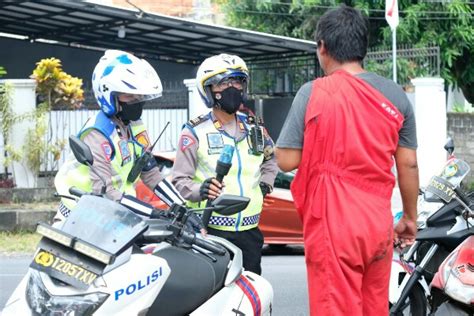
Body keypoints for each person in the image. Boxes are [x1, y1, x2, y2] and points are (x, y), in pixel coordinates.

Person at [275, 5, 419, 316]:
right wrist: (409, 218)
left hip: (334, 223)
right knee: (373, 309)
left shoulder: (313, 93)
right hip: (378, 224)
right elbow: (408, 164)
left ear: (323, 48)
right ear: (362, 47)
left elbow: (286, 160)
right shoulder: (396, 96)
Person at [171, 53, 278, 275]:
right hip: (209, 232)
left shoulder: (255, 129)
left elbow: (271, 158)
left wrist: (265, 185)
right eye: (224, 82)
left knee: (249, 296)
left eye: (237, 80)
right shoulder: (194, 132)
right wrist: (200, 190)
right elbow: (180, 180)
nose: (233, 87)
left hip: (250, 232)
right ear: (208, 89)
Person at [54, 50, 188, 224]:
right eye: (129, 96)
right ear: (109, 95)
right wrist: (154, 213)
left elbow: (150, 174)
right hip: (80, 219)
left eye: (139, 96)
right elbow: (105, 193)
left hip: (115, 217)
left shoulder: (133, 126)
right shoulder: (97, 133)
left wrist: (182, 207)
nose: (136, 101)